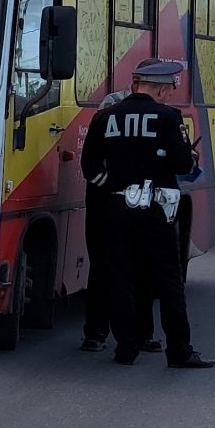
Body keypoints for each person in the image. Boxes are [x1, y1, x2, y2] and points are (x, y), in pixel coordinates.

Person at [83, 58, 213, 369]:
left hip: (116, 207)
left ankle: (126, 349)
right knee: (168, 280)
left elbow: (90, 167)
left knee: (119, 277)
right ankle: (179, 351)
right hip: (156, 208)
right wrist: (185, 158)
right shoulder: (168, 117)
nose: (170, 95)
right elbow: (184, 166)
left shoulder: (105, 117)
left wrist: (114, 186)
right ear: (159, 87)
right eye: (169, 89)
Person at [78, 88, 159, 357]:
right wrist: (114, 186)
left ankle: (131, 334)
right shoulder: (106, 126)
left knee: (134, 271)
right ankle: (102, 333)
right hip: (109, 204)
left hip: (114, 203)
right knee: (109, 269)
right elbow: (90, 167)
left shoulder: (110, 124)